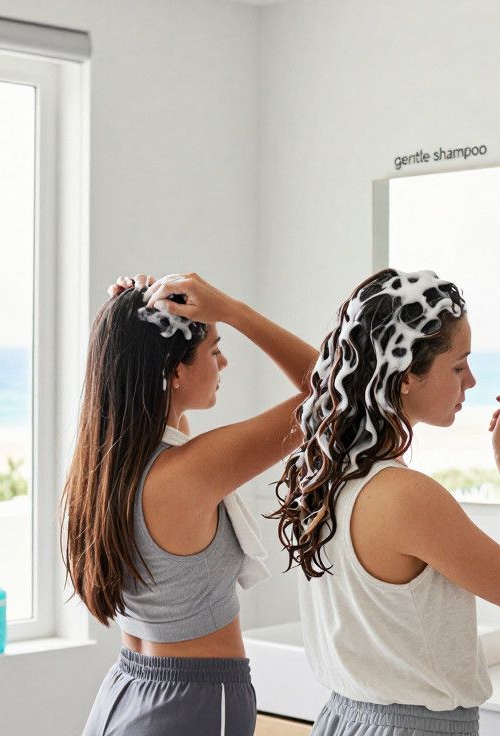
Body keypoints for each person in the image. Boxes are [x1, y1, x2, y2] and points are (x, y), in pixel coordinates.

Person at [270, 269, 500, 736]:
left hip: (342, 719)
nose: (473, 381)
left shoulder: (329, 478)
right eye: (458, 366)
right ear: (405, 377)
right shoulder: (407, 496)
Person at [67, 273, 317, 736]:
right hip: (194, 704)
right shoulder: (188, 471)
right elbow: (336, 394)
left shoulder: (105, 466)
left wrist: (133, 317)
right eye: (214, 349)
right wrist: (233, 310)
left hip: (125, 692)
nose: (224, 362)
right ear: (175, 372)